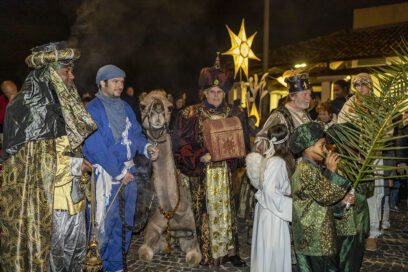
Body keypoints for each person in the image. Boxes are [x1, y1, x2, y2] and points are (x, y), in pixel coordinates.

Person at [1, 41, 97, 271]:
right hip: (48, 205)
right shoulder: (26, 110)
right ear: (50, 75)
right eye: (67, 71)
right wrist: (76, 165)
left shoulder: (62, 105)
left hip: (74, 200)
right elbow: (39, 164)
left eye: (72, 71)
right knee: (54, 259)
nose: (72, 77)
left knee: (75, 256)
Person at [172, 55, 247, 267]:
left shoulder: (234, 113)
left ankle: (230, 252)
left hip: (225, 173)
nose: (216, 95)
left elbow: (241, 144)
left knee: (227, 213)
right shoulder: (191, 113)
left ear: (225, 93)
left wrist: (237, 155)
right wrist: (200, 156)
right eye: (212, 92)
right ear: (204, 92)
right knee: (204, 213)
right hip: (203, 174)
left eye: (220, 92)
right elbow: (180, 146)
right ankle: (208, 252)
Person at [83, 64, 159, 271]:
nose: (120, 85)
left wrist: (147, 147)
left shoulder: (125, 107)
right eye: (115, 81)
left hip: (128, 177)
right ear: (103, 83)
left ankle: (116, 266)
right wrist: (118, 172)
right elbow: (94, 146)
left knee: (123, 227)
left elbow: (135, 134)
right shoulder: (91, 110)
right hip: (106, 178)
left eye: (122, 82)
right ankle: (101, 266)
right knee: (103, 228)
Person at [289, 122, 353, 272]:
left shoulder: (312, 168)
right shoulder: (307, 170)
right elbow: (325, 196)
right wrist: (331, 172)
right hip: (315, 239)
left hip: (316, 237)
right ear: (308, 148)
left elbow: (317, 201)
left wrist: (341, 203)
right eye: (321, 146)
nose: (325, 150)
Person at [338, 73, 383, 251]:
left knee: (374, 193)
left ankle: (372, 232)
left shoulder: (378, 105)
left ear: (370, 86)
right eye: (357, 85)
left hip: (373, 156)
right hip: (353, 156)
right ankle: (354, 228)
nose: (361, 88)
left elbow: (387, 130)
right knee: (353, 191)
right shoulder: (349, 105)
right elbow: (341, 126)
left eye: (364, 85)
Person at [248, 124, 295, 272]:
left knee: (266, 249)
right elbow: (270, 191)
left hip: (267, 210)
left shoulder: (268, 157)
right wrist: (291, 206)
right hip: (273, 213)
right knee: (273, 250)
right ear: (287, 142)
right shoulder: (278, 162)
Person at [255, 72, 312, 153]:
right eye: (304, 94)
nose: (308, 98)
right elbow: (262, 139)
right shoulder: (279, 116)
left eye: (309, 95)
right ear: (292, 96)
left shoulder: (305, 114)